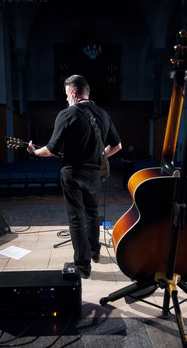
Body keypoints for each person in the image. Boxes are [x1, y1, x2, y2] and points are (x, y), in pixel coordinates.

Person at [27, 75, 122, 278]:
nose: (66, 99)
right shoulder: (103, 114)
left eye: (66, 94)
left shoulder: (66, 114)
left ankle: (83, 266)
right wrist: (100, 155)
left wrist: (34, 152)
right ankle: (95, 252)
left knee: (77, 219)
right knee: (92, 213)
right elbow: (118, 145)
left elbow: (51, 150)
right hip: (94, 173)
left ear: (73, 92)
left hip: (73, 173)